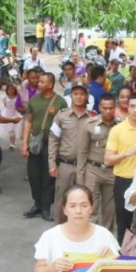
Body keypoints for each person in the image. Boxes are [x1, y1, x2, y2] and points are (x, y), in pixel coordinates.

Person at [34, 185, 120, 272]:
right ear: (64, 209)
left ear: (91, 208)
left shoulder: (104, 235)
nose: (78, 211)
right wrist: (52, 267)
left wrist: (112, 259)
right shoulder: (50, 236)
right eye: (72, 206)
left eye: (84, 205)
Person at [104, 91, 136, 242]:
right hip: (124, 180)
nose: (135, 110)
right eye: (132, 106)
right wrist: (126, 154)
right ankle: (123, 254)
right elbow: (108, 160)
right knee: (123, 220)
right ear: (127, 108)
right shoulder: (117, 130)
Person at [23, 72, 67, 222]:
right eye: (39, 82)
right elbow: (29, 121)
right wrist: (24, 144)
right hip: (35, 143)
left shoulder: (60, 102)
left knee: (48, 177)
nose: (39, 84)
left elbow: (65, 125)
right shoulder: (34, 101)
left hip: (52, 145)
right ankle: (37, 204)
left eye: (42, 82)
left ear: (50, 84)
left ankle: (46, 207)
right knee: (33, 175)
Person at [48, 83, 92, 220]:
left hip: (84, 167)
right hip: (65, 166)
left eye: (82, 94)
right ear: (71, 96)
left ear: (87, 96)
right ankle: (61, 232)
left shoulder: (92, 118)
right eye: (75, 94)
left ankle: (81, 234)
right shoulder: (61, 116)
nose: (78, 97)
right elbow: (53, 140)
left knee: (83, 201)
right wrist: (52, 163)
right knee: (62, 200)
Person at [79, 93, 119, 232]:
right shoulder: (89, 124)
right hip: (93, 169)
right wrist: (80, 175)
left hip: (112, 171)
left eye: (111, 108)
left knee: (109, 208)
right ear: (100, 108)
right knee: (91, 206)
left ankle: (106, 237)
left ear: (115, 107)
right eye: (105, 108)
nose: (108, 111)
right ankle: (89, 236)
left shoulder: (121, 125)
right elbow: (82, 151)